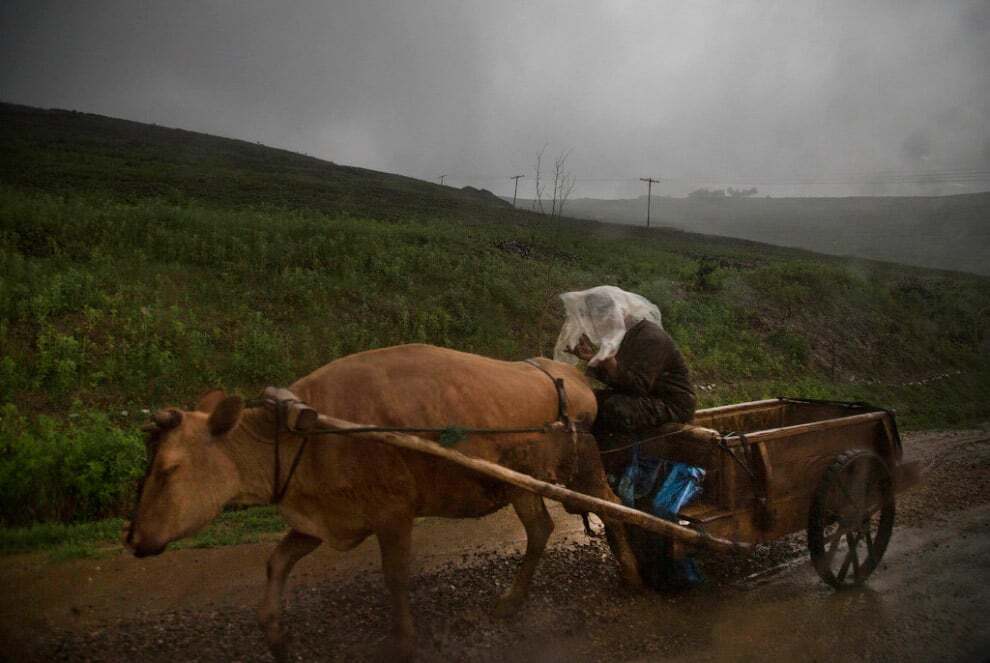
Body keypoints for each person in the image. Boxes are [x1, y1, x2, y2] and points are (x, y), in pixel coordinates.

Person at [553, 286, 696, 436]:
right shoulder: (624, 335)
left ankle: (605, 452)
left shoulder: (650, 337)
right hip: (643, 397)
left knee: (614, 408)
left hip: (672, 405)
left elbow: (638, 387)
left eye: (602, 316)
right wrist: (592, 358)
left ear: (619, 311)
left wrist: (611, 365)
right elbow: (623, 382)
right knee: (584, 398)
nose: (598, 323)